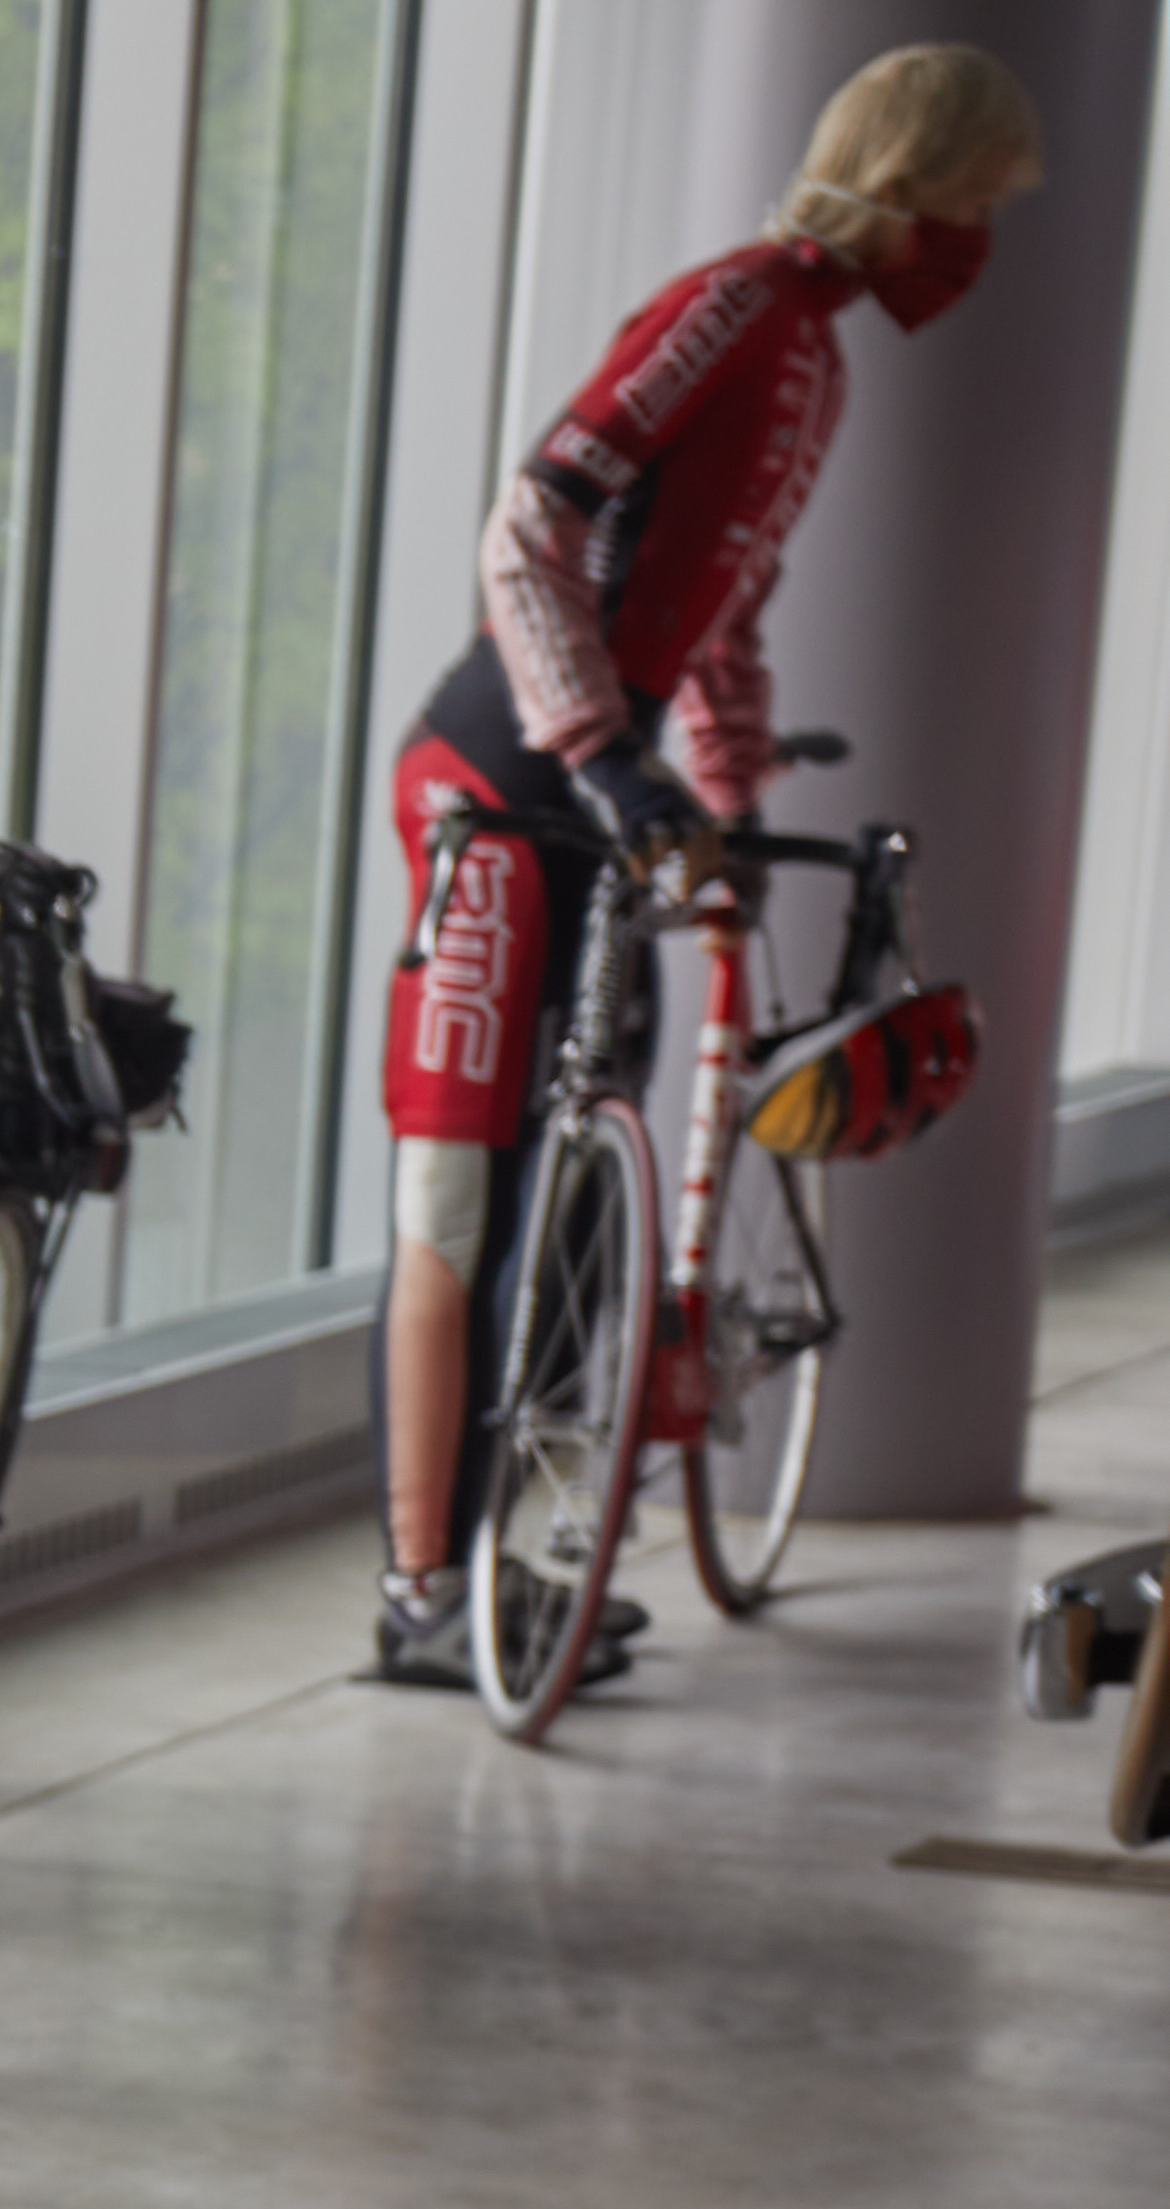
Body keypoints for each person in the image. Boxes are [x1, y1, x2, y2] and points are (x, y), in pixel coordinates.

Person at [366, 43, 1043, 1692]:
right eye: (973, 199)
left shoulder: (816, 352)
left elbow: (724, 616)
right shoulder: (736, 306)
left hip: (604, 799)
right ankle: (416, 1592)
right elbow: (531, 523)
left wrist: (722, 808)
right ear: (907, 181)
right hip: (495, 792)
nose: (977, 237)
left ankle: (505, 1569)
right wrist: (600, 747)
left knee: (576, 1203)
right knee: (461, 1197)